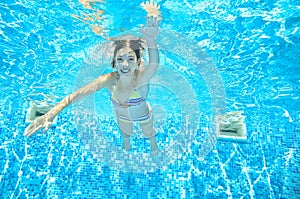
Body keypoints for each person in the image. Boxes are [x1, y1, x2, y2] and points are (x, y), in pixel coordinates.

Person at [24, 16, 160, 155]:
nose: (125, 64)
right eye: (120, 59)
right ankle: (127, 146)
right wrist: (51, 114)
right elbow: (76, 95)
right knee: (126, 134)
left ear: (138, 62)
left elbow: (154, 63)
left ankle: (153, 147)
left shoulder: (142, 79)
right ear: (114, 62)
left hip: (143, 115)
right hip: (122, 117)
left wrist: (150, 40)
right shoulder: (108, 80)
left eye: (131, 59)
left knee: (148, 132)